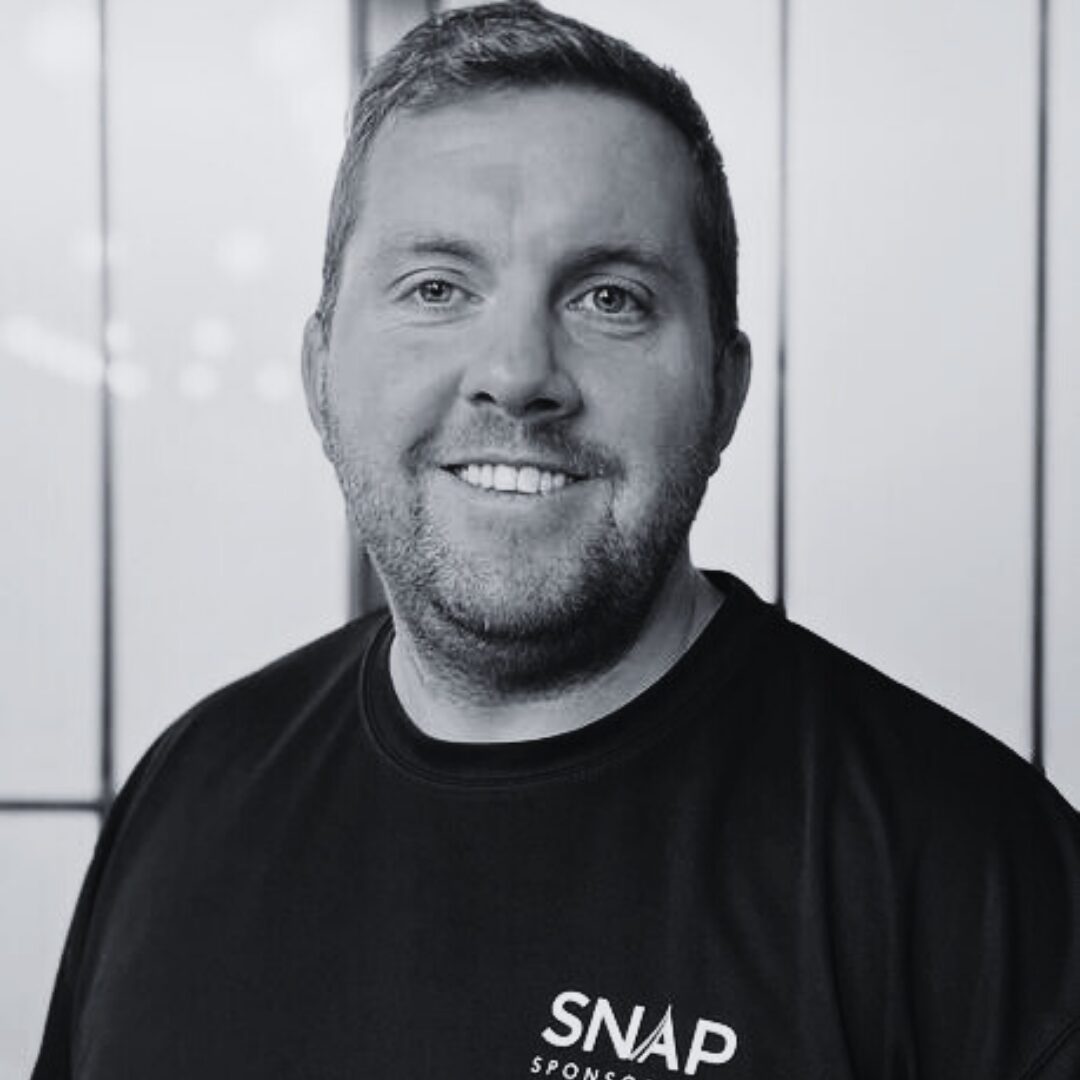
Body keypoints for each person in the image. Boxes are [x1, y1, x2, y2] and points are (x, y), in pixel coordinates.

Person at [32, 3, 1080, 1077]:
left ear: (724, 392)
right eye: (438, 288)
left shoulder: (974, 881)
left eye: (610, 298)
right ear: (319, 374)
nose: (516, 373)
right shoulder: (191, 791)